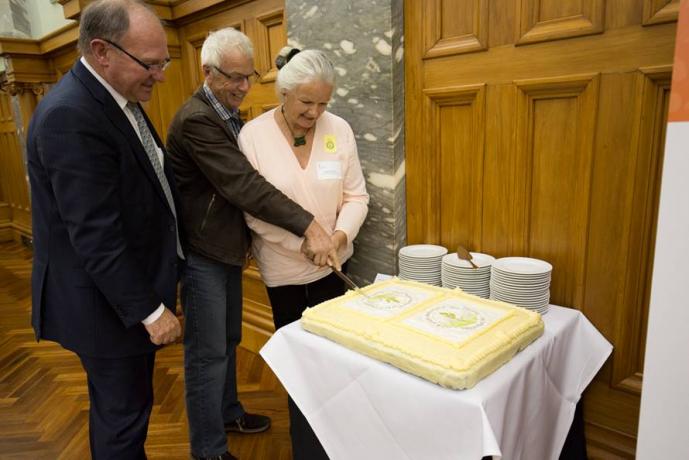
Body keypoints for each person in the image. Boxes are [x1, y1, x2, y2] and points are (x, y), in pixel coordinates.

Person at [166, 29, 338, 460]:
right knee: (207, 354)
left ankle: (227, 412)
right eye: (234, 78)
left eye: (249, 76)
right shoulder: (197, 119)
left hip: (225, 250)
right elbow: (244, 185)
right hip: (203, 252)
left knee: (225, 341)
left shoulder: (225, 114)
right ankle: (208, 450)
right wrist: (308, 226)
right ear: (207, 72)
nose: (244, 87)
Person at [26, 0, 183, 458]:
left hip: (119, 294)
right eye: (151, 64)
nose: (160, 75)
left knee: (121, 412)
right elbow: (96, 235)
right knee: (124, 417)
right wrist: (151, 312)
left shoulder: (116, 99)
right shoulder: (70, 116)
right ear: (101, 51)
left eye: (164, 61)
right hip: (105, 307)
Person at [238, 47, 369, 460]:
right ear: (285, 93)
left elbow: (356, 196)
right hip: (285, 275)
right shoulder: (253, 136)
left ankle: (341, 442)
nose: (315, 114)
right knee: (301, 368)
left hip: (334, 268)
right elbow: (254, 212)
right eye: (307, 103)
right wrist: (304, 243)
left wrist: (339, 238)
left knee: (335, 361)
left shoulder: (339, 130)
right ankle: (308, 447)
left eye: (323, 103)